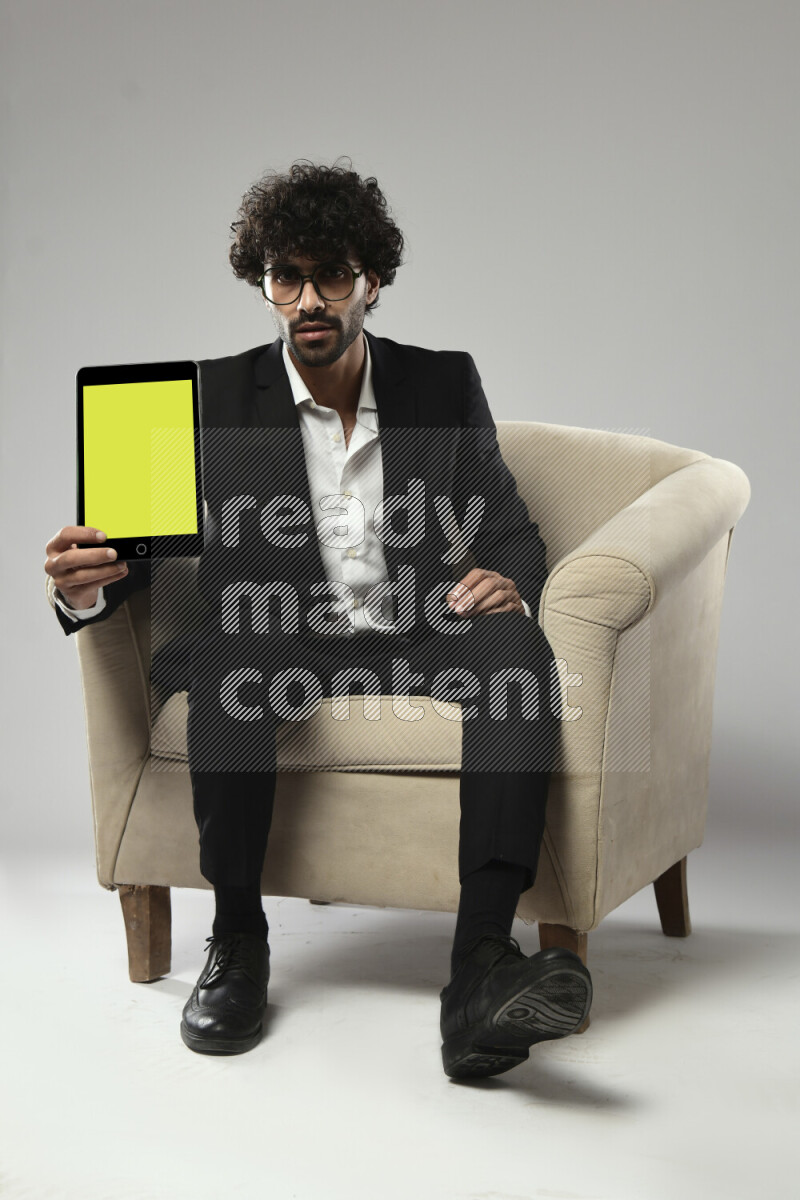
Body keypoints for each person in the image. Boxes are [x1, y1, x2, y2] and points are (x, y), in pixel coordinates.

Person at [44, 160, 591, 1079]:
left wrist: (505, 574)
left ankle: (482, 970)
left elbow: (508, 525)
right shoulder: (207, 400)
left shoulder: (442, 383)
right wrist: (83, 585)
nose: (309, 299)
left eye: (331, 274)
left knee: (517, 658)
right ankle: (238, 941)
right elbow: (126, 556)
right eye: (286, 277)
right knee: (227, 678)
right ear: (263, 287)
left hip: (419, 632)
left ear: (370, 280)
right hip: (277, 636)